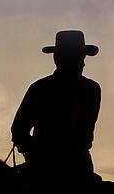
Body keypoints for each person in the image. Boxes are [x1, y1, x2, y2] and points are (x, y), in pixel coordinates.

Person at [11, 30, 101, 185]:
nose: (83, 63)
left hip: (43, 168)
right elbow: (86, 134)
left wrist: (33, 153)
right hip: (80, 167)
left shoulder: (40, 88)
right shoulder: (92, 89)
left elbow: (19, 130)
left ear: (57, 58)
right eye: (80, 58)